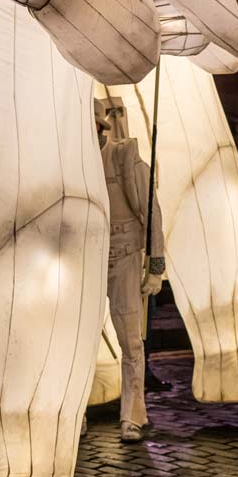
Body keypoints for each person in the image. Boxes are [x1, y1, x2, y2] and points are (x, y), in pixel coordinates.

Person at [96, 99, 164, 443]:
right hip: (86, 261)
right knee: (78, 343)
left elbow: (151, 212)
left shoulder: (124, 160)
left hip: (124, 257)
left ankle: (133, 414)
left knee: (130, 342)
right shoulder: (71, 160)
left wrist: (155, 267)